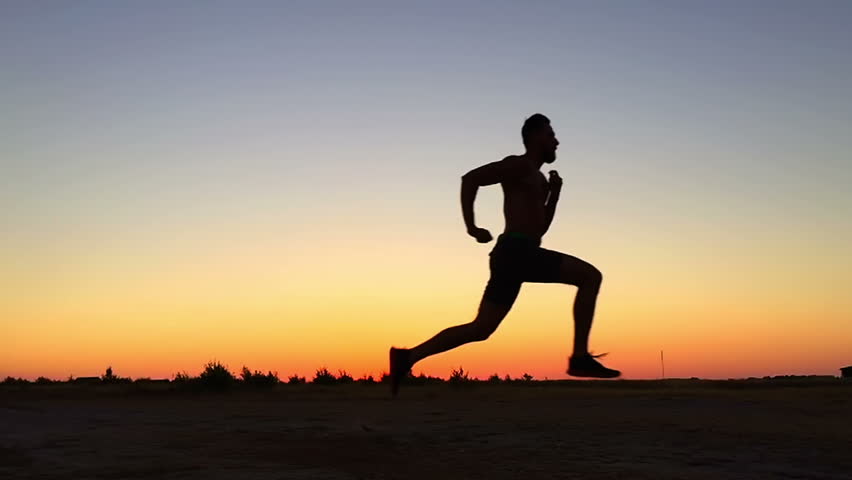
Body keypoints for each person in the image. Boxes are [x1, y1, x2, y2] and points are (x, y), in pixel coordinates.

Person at [388, 114, 620, 395]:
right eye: (550, 135)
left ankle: (407, 357)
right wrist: (472, 227)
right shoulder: (518, 165)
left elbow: (540, 228)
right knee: (590, 276)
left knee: (481, 328)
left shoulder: (538, 178)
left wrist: (554, 196)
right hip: (515, 251)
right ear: (534, 137)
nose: (556, 141)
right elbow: (470, 179)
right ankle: (580, 358)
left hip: (519, 253)